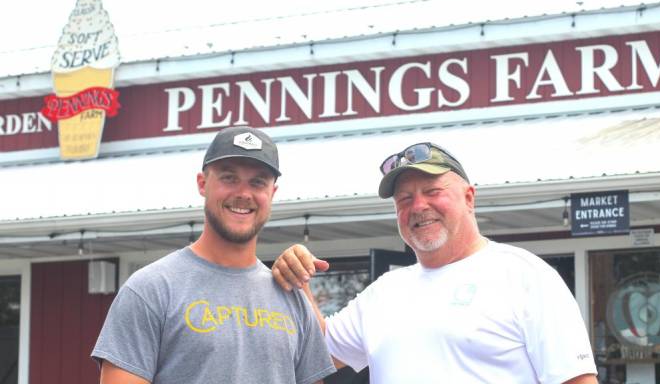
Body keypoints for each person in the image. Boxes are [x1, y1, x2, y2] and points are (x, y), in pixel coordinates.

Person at [272, 142, 599, 383]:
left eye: (432, 191)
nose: (418, 206)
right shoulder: (385, 292)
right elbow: (321, 352)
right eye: (405, 199)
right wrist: (298, 281)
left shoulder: (525, 276)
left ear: (469, 198)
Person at [92, 126, 336, 384]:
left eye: (258, 182)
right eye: (229, 178)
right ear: (202, 183)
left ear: (272, 193)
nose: (243, 193)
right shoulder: (151, 289)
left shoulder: (293, 300)